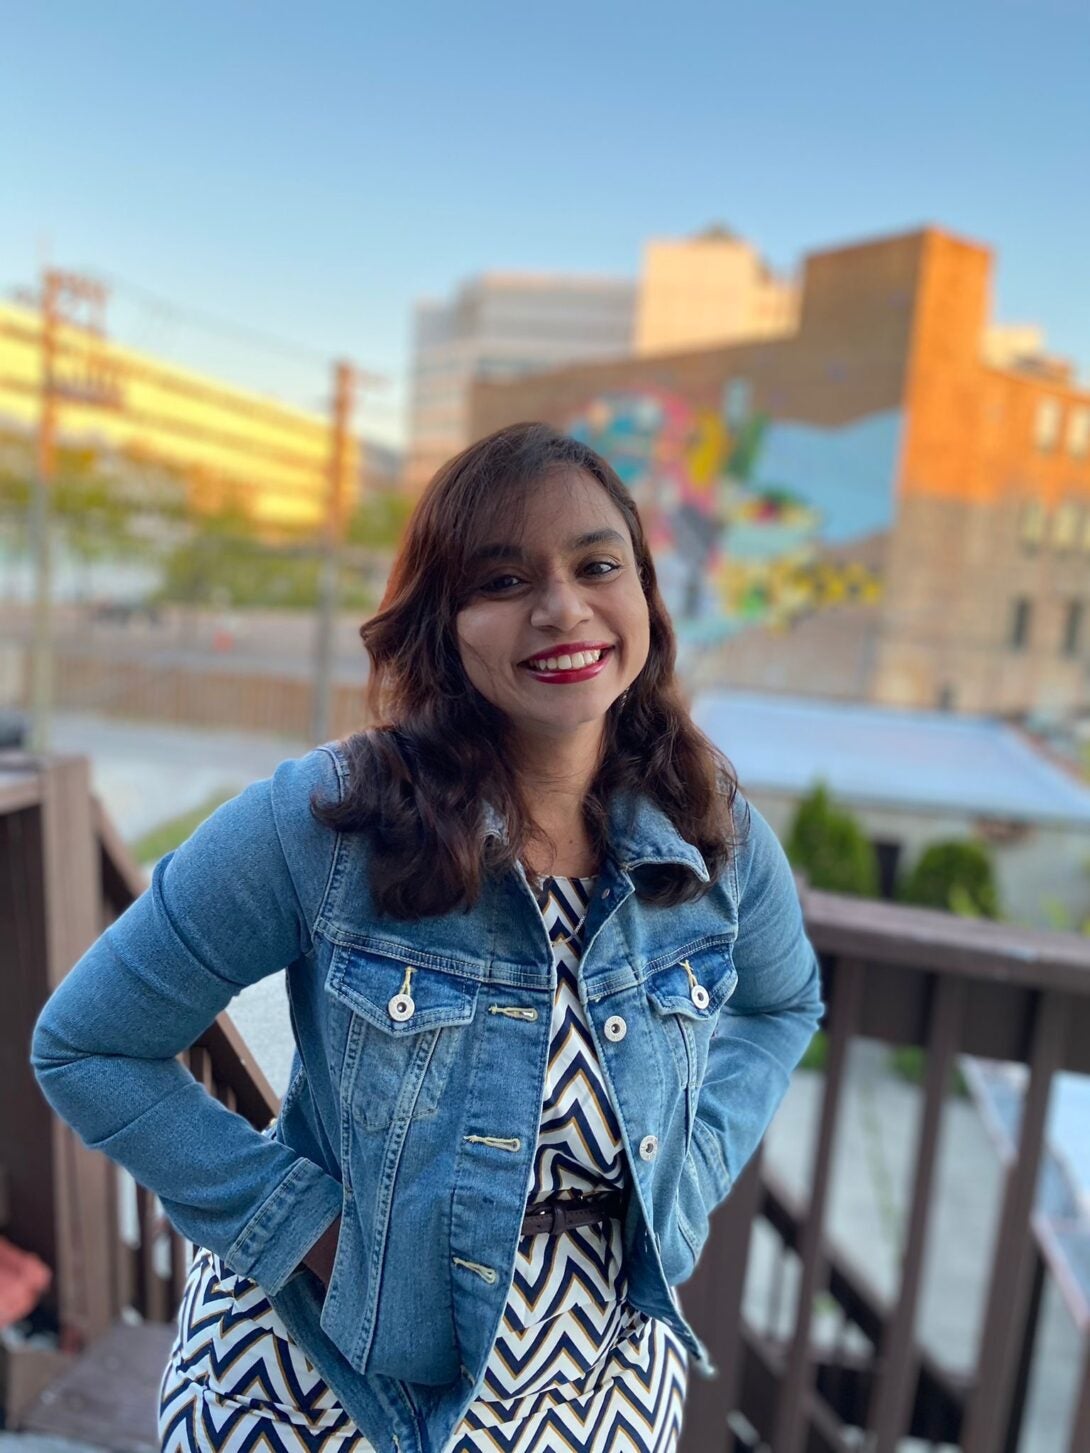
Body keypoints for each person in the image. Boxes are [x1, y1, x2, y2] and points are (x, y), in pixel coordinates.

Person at [31, 422, 825, 1453]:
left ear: (642, 594)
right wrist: (309, 1234)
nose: (561, 607)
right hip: (332, 1378)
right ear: (441, 621)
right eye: (502, 578)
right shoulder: (327, 817)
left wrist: (694, 1168)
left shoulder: (706, 823)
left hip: (603, 1382)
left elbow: (782, 1004)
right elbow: (88, 1044)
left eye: (597, 564)